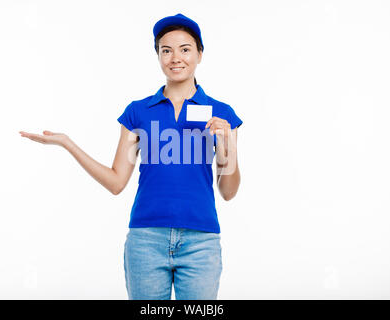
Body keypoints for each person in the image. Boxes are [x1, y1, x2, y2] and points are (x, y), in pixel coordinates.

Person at [19, 13, 243, 300]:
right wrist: (68, 144)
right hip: (146, 241)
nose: (176, 58)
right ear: (158, 56)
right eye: (166, 50)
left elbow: (228, 191)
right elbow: (116, 182)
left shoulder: (222, 113)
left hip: (201, 241)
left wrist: (228, 147)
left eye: (185, 49)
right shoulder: (138, 112)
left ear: (199, 54)